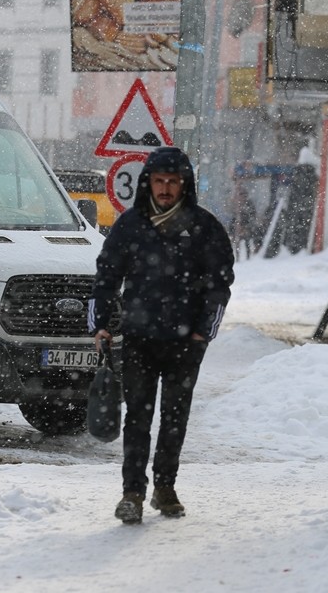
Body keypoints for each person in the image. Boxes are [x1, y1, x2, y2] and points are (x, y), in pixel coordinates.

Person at [88, 146, 235, 525]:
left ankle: (165, 487)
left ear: (184, 185)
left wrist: (204, 331)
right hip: (139, 339)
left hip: (187, 343)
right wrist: (100, 323)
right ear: (147, 183)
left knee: (174, 417)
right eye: (159, 181)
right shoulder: (130, 225)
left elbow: (220, 284)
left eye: (173, 182)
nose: (166, 188)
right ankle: (132, 493)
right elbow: (106, 277)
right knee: (137, 417)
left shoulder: (205, 227)